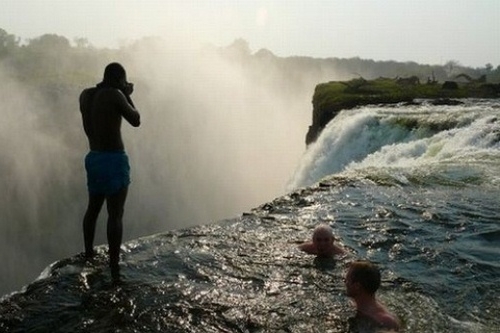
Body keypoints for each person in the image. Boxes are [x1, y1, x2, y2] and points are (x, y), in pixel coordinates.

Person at [79, 62, 141, 282]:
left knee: (93, 208)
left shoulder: (85, 95)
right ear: (117, 80)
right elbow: (136, 120)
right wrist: (126, 94)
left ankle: (88, 253)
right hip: (113, 158)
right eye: (123, 81)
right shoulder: (115, 94)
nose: (125, 85)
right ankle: (114, 266)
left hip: (93, 157)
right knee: (115, 214)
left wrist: (121, 89)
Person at [345, 260, 401, 331]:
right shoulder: (355, 305)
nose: (345, 283)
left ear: (357, 286)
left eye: (347, 280)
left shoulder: (384, 321)